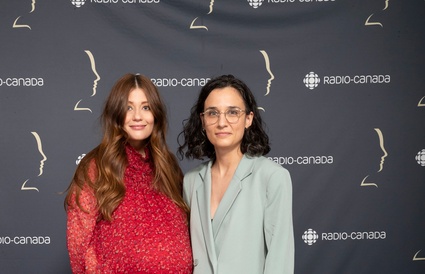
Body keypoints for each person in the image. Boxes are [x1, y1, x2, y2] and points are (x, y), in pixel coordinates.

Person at [65, 73, 193, 273]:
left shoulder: (168, 165)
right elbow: (78, 240)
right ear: (116, 114)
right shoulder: (96, 166)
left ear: (155, 115)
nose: (138, 116)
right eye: (128, 107)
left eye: (146, 107)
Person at [178, 74, 294, 274]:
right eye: (213, 113)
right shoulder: (191, 181)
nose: (222, 122)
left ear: (249, 118)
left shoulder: (272, 177)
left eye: (232, 112)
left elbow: (280, 260)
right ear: (203, 121)